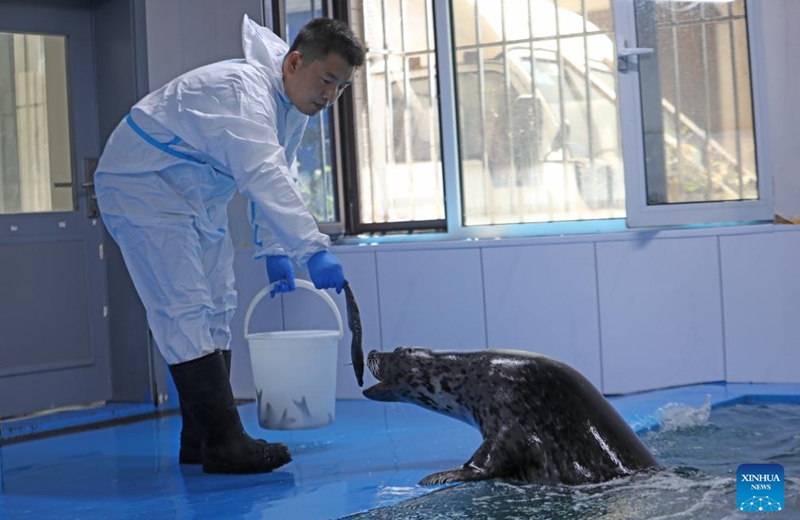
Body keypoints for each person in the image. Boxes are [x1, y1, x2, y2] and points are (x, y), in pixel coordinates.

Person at [94, 15, 365, 474]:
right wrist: (310, 248)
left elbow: (278, 171)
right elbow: (263, 174)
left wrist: (274, 249)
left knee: (220, 302)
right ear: (295, 61)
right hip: (143, 186)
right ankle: (224, 442)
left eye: (340, 88)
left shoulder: (290, 106)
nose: (330, 96)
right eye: (327, 81)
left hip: (195, 192)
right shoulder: (243, 91)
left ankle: (198, 438)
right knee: (184, 306)